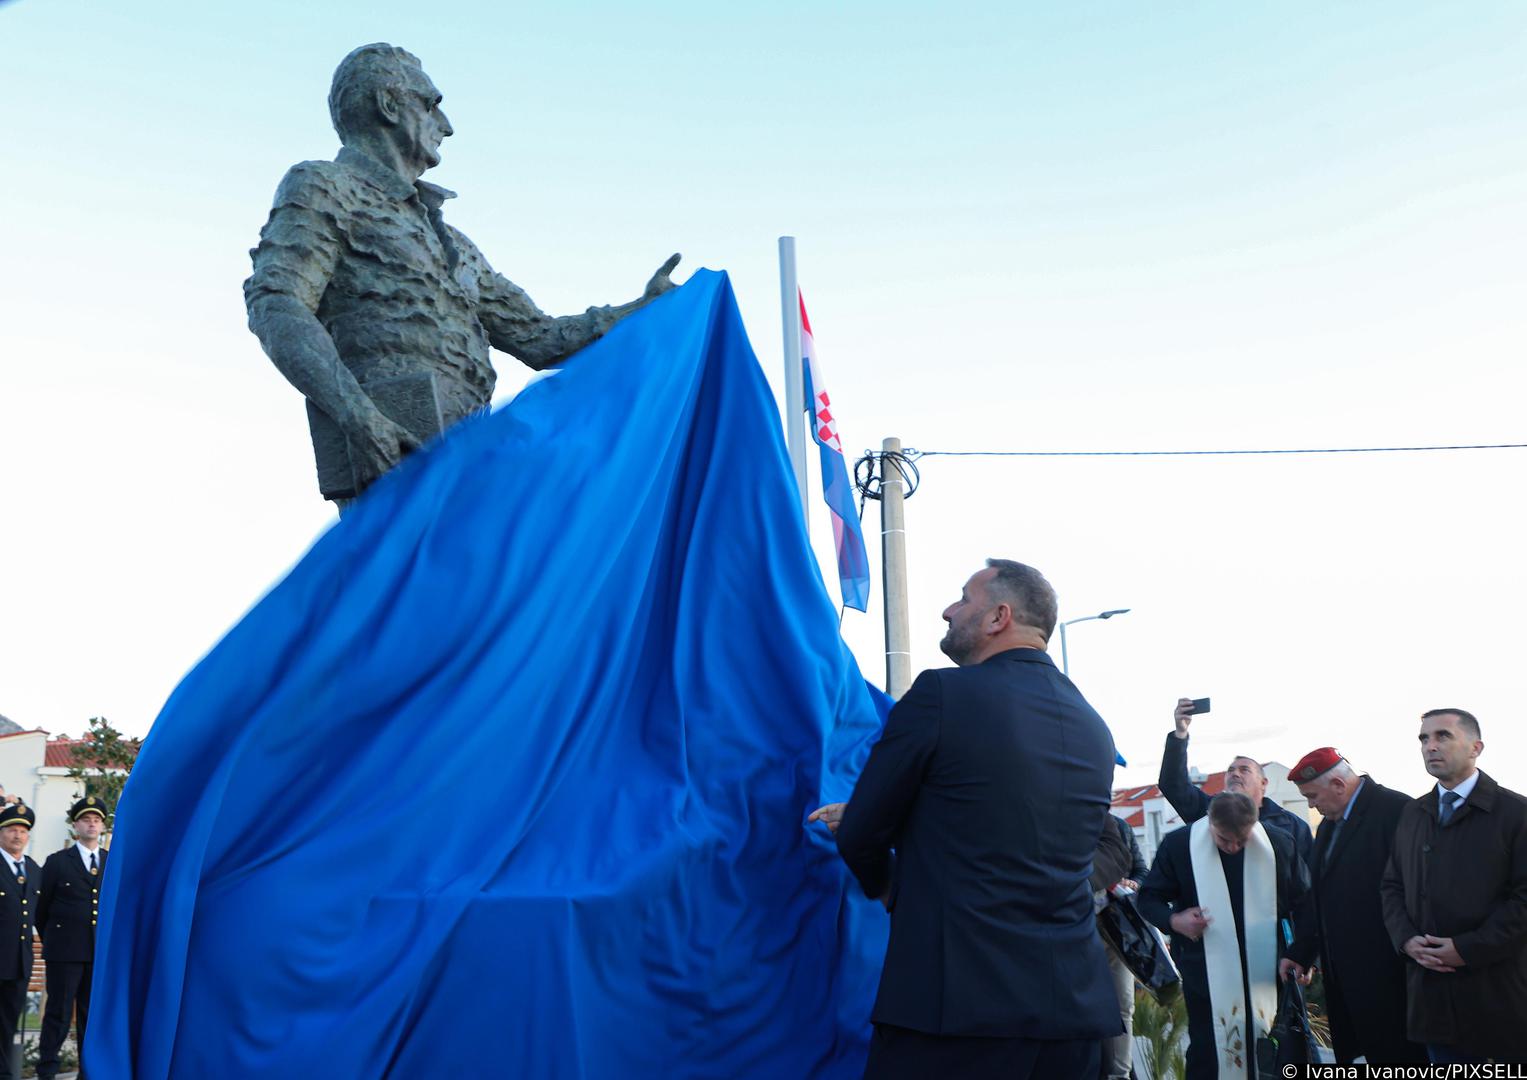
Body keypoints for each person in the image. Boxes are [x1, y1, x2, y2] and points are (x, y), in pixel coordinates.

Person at [245, 43, 681, 508]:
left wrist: (644, 308)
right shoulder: (325, 185)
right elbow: (276, 301)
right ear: (389, 105)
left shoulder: (454, 243)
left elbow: (542, 339)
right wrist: (360, 418)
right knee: (409, 579)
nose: (447, 127)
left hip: (473, 452)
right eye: (431, 104)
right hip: (394, 445)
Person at [810, 559, 1121, 1079]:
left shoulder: (942, 695)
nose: (948, 610)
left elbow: (862, 831)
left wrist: (889, 888)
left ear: (1000, 616)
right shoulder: (1094, 728)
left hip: (955, 1018)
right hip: (1075, 1017)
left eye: (962, 598)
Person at [1380, 708, 1527, 1064]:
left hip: (1496, 1004)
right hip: (1430, 1004)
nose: (1430, 746)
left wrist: (1467, 948)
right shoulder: (1414, 813)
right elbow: (1392, 885)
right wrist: (1406, 940)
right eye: (1424, 739)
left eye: (1443, 736)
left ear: (1476, 747)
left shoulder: (1515, 813)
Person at [1137, 792, 1309, 1080]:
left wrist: (1303, 955)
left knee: (1272, 1055)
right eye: (1223, 840)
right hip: (1204, 972)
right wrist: (1175, 920)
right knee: (1209, 1054)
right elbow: (1148, 899)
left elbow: (1304, 903)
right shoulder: (1180, 845)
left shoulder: (1278, 844)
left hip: (1268, 973)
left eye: (1241, 841)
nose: (1232, 847)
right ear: (1209, 824)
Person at [1278, 748, 1422, 1064]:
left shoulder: (1397, 811)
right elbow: (1322, 897)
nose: (1311, 805)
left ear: (1339, 786)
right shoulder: (1329, 825)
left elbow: (1420, 894)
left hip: (1393, 978)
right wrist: (1301, 951)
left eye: (1313, 796)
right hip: (1349, 980)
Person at [1158, 698, 1313, 867]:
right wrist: (1180, 734)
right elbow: (1173, 785)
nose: (1235, 774)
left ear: (1263, 783)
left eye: (1244, 770)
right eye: (1230, 771)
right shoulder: (1207, 810)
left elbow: (1308, 877)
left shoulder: (1292, 825)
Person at [35, 796, 111, 1080]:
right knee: (58, 1014)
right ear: (75, 825)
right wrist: (56, 942)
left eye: (96, 820)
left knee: (91, 1018)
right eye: (86, 820)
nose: (91, 825)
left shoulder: (110, 862)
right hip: (64, 952)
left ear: (102, 826)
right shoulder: (57, 862)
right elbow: (41, 911)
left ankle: (87, 1072)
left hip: (97, 953)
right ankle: (47, 1071)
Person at [1096, 814, 1148, 1080]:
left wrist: (1132, 883)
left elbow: (1141, 870)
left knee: (1123, 1005)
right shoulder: (1065, 821)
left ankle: (1120, 1074)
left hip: (1118, 930)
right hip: (1080, 931)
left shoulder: (1120, 826)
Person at [0, 803, 39, 1080]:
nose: (17, 835)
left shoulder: (34, 870)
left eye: (23, 830)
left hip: (19, 961)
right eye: (12, 829)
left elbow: (41, 913)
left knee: (8, 1021)